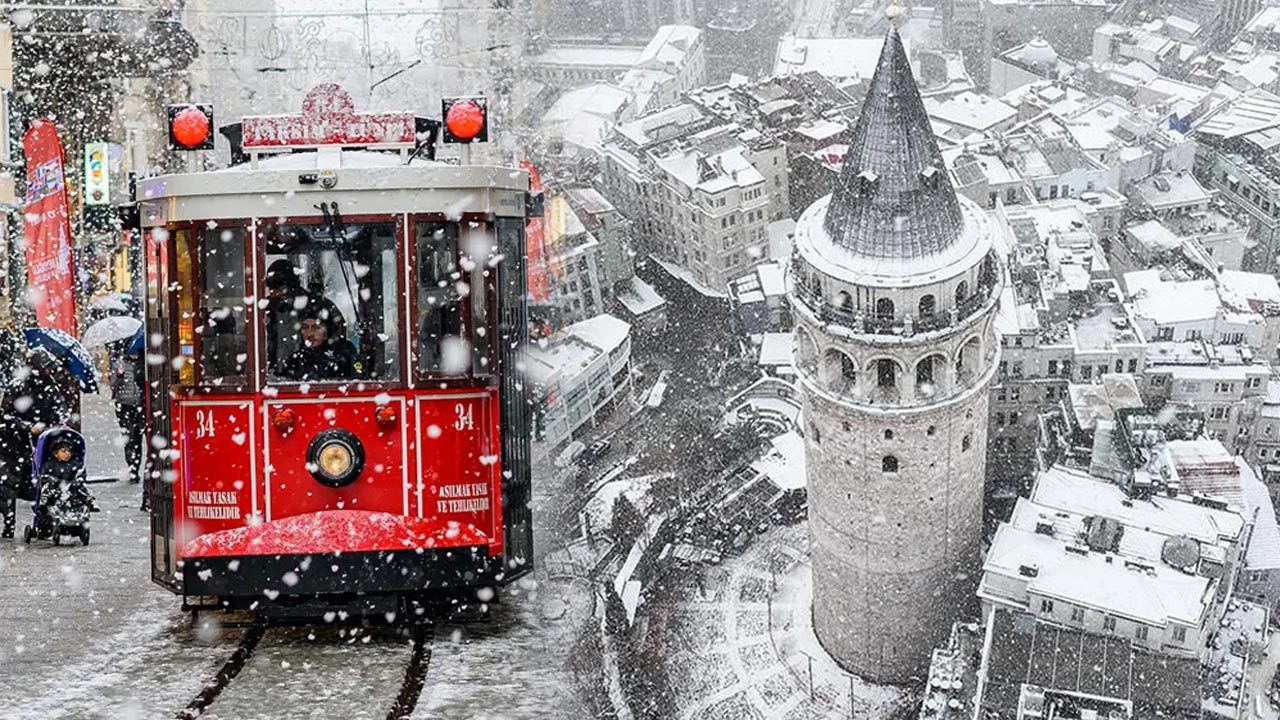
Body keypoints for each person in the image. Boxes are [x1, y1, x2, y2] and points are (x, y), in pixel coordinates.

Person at [0, 349, 75, 537]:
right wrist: (26, 427)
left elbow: (59, 407)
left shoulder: (50, 386)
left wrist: (59, 421)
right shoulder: (17, 387)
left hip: (42, 442)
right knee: (8, 486)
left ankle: (44, 522)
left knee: (44, 483)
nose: (49, 372)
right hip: (14, 445)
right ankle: (9, 524)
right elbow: (6, 416)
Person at [264, 258, 346, 368]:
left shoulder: (318, 306)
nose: (275, 293)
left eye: (281, 288)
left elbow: (338, 335)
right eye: (272, 289)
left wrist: (321, 360)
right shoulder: (264, 310)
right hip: (274, 374)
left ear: (293, 286)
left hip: (313, 373)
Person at [276, 309, 358, 382]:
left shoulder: (344, 353)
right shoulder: (295, 360)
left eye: (316, 328)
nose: (310, 333)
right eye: (305, 327)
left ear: (326, 331)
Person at [107, 339, 145, 484]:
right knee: (128, 437)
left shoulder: (142, 364)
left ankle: (136, 466)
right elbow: (113, 386)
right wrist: (120, 376)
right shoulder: (120, 364)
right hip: (124, 405)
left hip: (139, 405)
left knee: (137, 438)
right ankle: (132, 468)